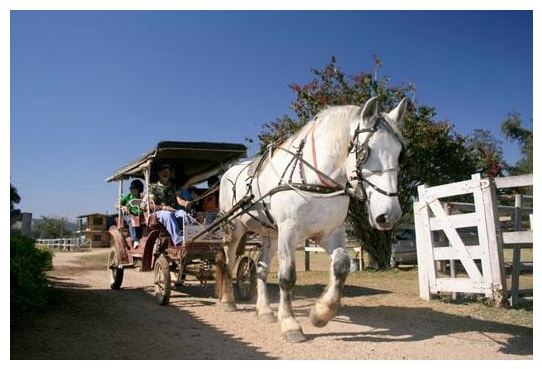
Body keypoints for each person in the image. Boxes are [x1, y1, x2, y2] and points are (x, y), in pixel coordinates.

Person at [141, 163, 193, 246]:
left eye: (168, 171)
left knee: (184, 214)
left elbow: (179, 199)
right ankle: (179, 241)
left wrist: (185, 203)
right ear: (158, 173)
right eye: (163, 171)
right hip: (158, 213)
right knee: (168, 215)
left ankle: (194, 236)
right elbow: (151, 205)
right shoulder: (152, 187)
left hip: (173, 211)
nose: (166, 173)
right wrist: (163, 207)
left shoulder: (173, 186)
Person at [116, 179, 144, 249]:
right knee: (132, 220)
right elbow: (117, 205)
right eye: (131, 188)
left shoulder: (142, 197)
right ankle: (135, 240)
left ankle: (144, 238)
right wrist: (122, 207)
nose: (131, 189)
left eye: (134, 188)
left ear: (139, 189)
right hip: (127, 215)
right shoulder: (127, 197)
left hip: (140, 214)